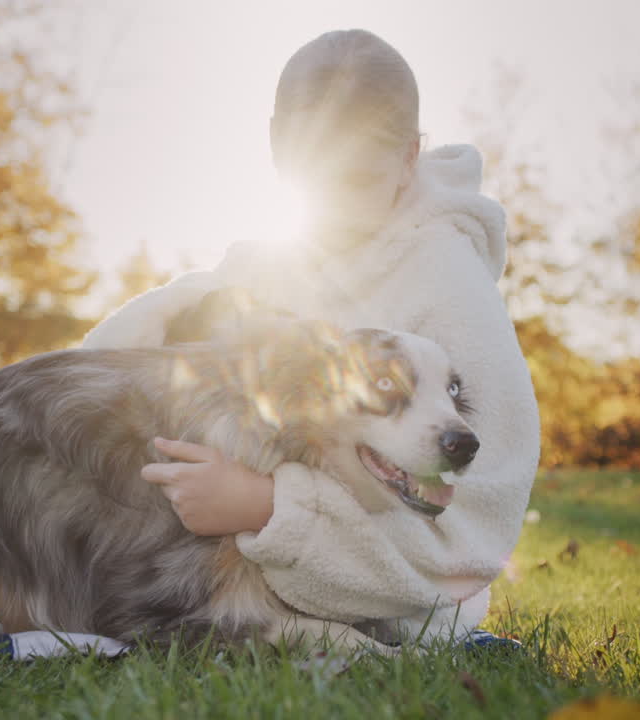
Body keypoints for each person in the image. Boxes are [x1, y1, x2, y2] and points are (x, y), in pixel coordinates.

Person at [83, 29, 539, 644]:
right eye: (310, 178)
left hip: (389, 600)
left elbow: (476, 527)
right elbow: (150, 346)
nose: (330, 210)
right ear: (276, 146)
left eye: (352, 181)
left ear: (409, 156)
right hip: (219, 574)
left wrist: (268, 508)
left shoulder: (449, 279)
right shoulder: (265, 263)